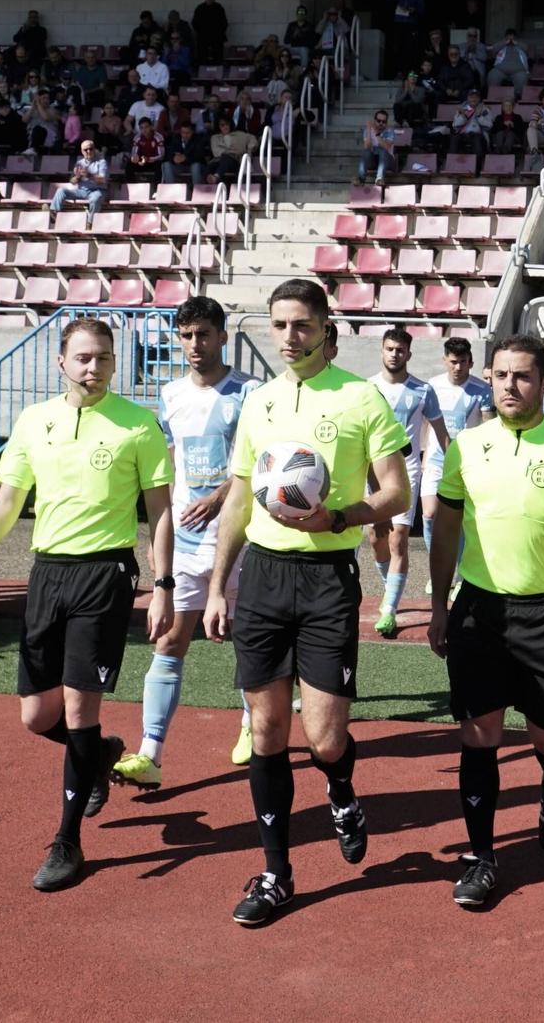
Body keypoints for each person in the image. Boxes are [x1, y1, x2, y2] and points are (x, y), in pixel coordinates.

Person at [201, 280, 411, 927]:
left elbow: (397, 492)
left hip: (326, 576)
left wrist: (340, 517)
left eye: (302, 324)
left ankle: (342, 789)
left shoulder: (361, 396)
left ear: (325, 327)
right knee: (266, 732)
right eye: (279, 324)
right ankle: (276, 873)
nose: (289, 335)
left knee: (323, 738)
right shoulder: (258, 402)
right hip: (262, 577)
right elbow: (239, 499)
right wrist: (218, 584)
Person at [0, 318, 176, 893]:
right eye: (82, 358)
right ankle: (98, 754)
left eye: (102, 358)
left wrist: (164, 583)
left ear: (114, 362)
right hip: (47, 574)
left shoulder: (139, 426)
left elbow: (161, 512)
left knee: (78, 709)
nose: (92, 368)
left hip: (105, 575)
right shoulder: (34, 421)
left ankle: (68, 841)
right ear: (60, 362)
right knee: (36, 716)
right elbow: (8, 498)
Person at [426, 335, 544, 910]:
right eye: (501, 375)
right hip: (478, 610)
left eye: (522, 376)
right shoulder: (467, 445)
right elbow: (446, 529)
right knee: (478, 735)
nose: (509, 385)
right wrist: (437, 604)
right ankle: (481, 857)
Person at [113, 299, 259, 791]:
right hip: (187, 540)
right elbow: (170, 466)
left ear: (222, 336)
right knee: (170, 640)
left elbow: (257, 462)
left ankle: (251, 725)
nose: (195, 345)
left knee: (247, 639)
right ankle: (150, 753)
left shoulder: (249, 393)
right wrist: (162, 535)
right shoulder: (171, 392)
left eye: (203, 334)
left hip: (239, 541)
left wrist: (221, 496)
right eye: (186, 335)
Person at [368, 328, 447, 640]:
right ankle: (391, 588)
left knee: (399, 537)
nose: (394, 354)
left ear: (409, 354)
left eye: (400, 350)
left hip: (407, 469)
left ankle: (389, 608)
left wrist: (454, 464)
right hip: (372, 471)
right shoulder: (367, 388)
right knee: (376, 536)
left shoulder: (423, 390)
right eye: (389, 348)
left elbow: (441, 433)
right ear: (382, 350)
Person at [421, 336, 494, 571]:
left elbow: (488, 426)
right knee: (431, 514)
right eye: (453, 361)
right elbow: (424, 423)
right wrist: (423, 453)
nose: (458, 367)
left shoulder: (482, 389)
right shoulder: (432, 386)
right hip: (435, 460)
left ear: (471, 362)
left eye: (463, 362)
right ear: (444, 361)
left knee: (462, 519)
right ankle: (438, 568)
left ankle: (460, 571)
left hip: (467, 463)